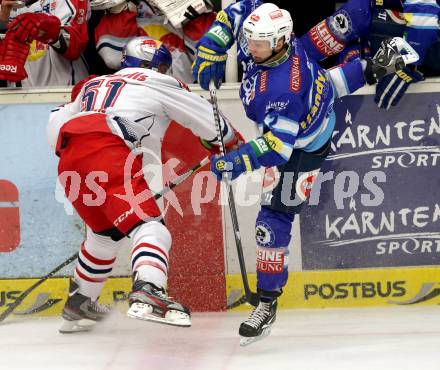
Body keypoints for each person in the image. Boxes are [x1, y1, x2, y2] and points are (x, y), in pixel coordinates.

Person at [192, 2, 413, 345]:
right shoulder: (275, 43)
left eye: (258, 44)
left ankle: (267, 302)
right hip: (311, 92)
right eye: (249, 40)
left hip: (304, 148)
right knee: (327, 81)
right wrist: (213, 44)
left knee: (271, 222)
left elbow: (279, 149)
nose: (250, 49)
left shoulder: (281, 91)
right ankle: (369, 68)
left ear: (280, 42)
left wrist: (236, 162)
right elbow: (245, 7)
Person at [48, 36, 241, 333]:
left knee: (105, 234)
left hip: (70, 157)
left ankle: (79, 302)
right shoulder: (158, 81)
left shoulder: (93, 84)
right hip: (107, 150)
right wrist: (228, 145)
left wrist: (86, 157)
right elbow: (215, 125)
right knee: (151, 226)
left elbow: (54, 127)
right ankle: (149, 291)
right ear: (159, 65)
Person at [0, 0, 89, 86]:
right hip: (18, 95)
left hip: (63, 92)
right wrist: (3, 23)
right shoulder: (9, 5)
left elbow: (75, 46)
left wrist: (48, 30)